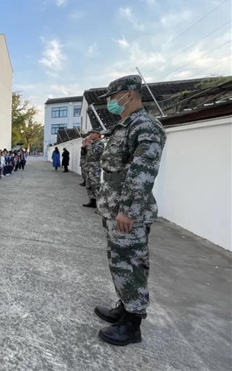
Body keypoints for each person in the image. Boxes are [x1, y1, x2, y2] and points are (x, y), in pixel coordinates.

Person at [94, 75, 166, 346]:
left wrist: (128, 210)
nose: (111, 103)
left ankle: (132, 324)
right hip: (114, 206)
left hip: (126, 210)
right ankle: (125, 308)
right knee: (119, 261)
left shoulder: (145, 126)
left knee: (131, 263)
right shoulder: (125, 125)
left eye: (113, 97)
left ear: (129, 95)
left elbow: (142, 172)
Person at [83, 132, 104, 208]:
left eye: (93, 133)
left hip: (95, 168)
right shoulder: (92, 144)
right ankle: (92, 201)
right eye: (90, 133)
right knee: (88, 185)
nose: (91, 135)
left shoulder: (100, 144)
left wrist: (88, 144)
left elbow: (94, 154)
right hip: (88, 167)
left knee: (95, 186)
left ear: (98, 135)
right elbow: (86, 154)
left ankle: (99, 204)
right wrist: (85, 145)